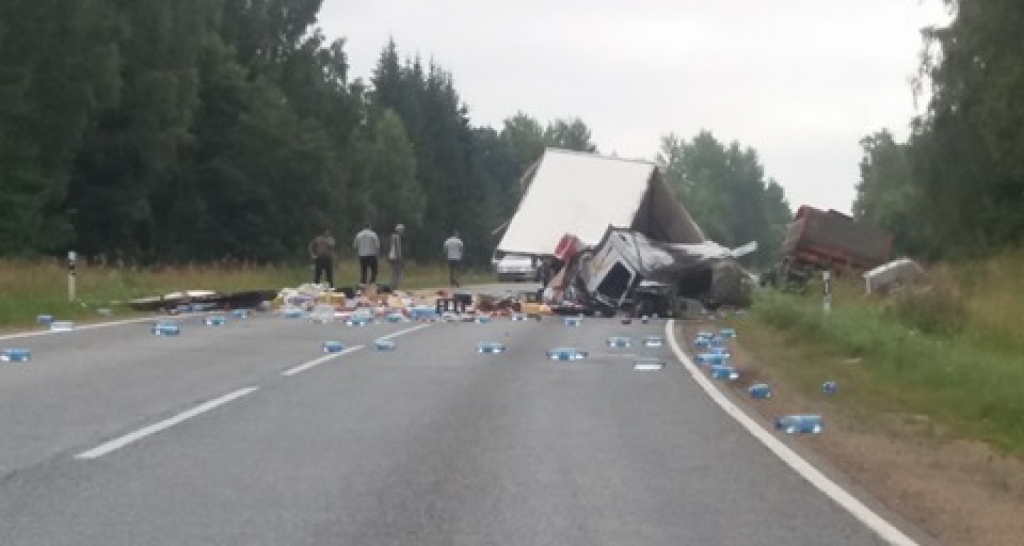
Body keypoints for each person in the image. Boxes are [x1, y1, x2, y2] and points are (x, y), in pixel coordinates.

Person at [387, 224, 406, 290]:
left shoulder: (393, 236)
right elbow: (397, 248)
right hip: (395, 257)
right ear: (399, 230)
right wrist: (400, 258)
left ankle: (392, 286)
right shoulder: (397, 237)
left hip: (391, 256)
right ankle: (394, 287)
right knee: (397, 272)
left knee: (394, 272)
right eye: (402, 230)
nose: (403, 231)